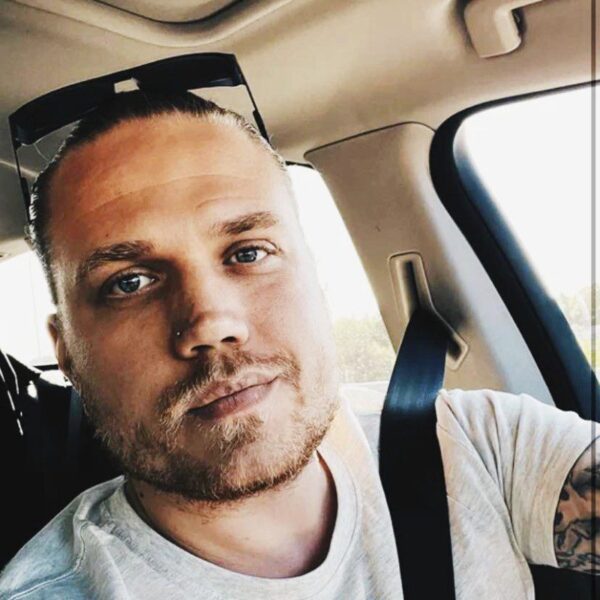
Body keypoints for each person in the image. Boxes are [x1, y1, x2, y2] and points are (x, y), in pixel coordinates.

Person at [0, 91, 597, 599]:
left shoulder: (479, 446)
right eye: (128, 283)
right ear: (67, 352)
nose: (210, 322)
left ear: (317, 277)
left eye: (248, 252)